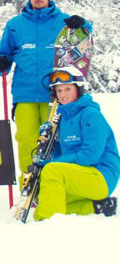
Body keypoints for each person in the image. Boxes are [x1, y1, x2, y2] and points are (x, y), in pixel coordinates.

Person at [0, 0, 91, 183]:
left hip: (57, 94)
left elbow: (84, 37)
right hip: (25, 93)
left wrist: (82, 24)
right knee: (27, 141)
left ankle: (52, 183)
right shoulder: (15, 25)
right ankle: (28, 186)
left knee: (55, 142)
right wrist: (3, 60)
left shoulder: (63, 21)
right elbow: (4, 52)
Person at [33, 66, 118, 221]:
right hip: (80, 175)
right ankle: (97, 207)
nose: (63, 95)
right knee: (47, 198)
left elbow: (90, 155)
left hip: (101, 176)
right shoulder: (63, 118)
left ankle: (45, 223)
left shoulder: (91, 115)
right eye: (59, 91)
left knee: (53, 172)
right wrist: (50, 146)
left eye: (67, 89)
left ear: (78, 90)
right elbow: (62, 156)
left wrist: (52, 163)